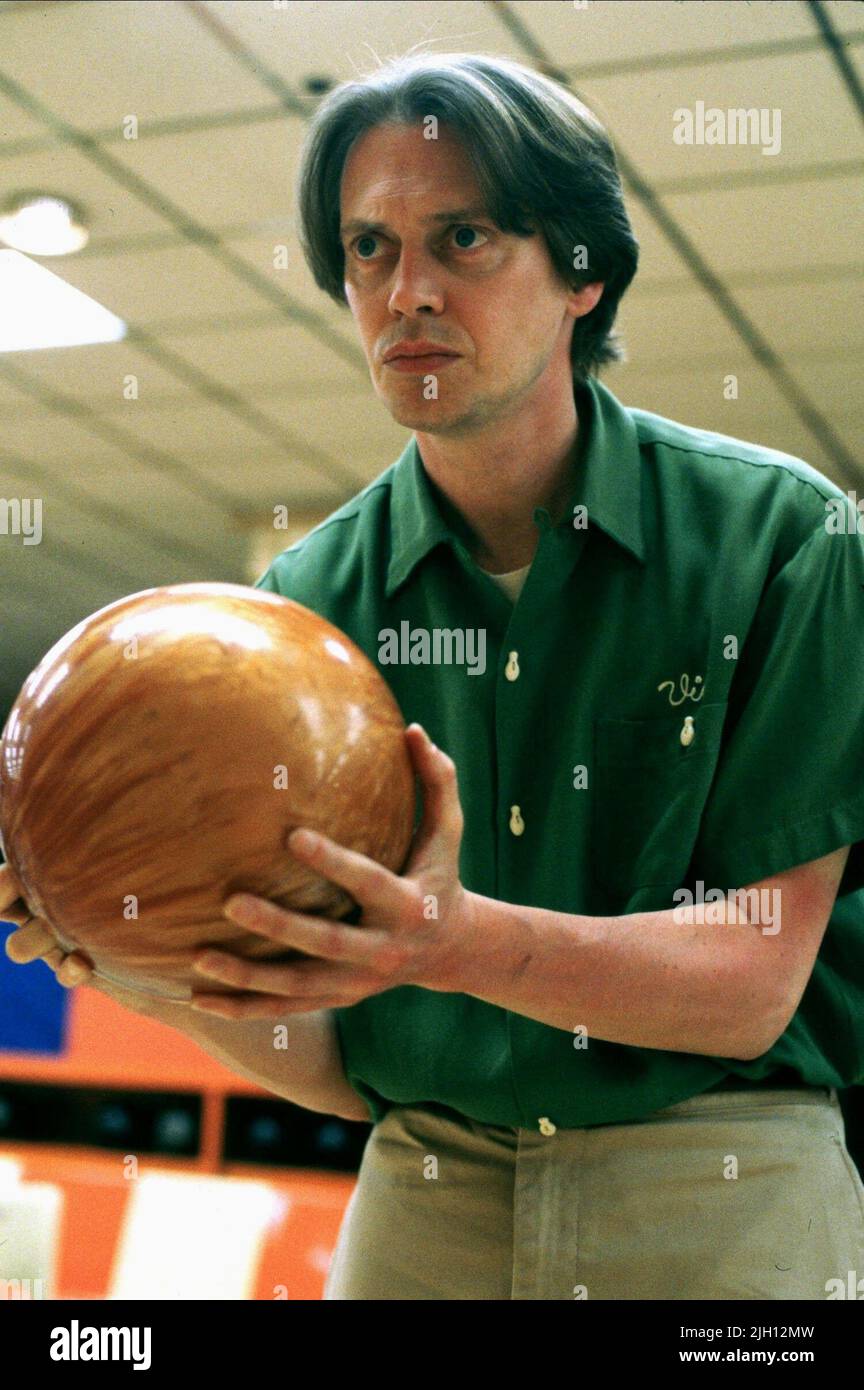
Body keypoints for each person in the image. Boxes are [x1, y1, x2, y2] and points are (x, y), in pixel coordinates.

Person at [4, 51, 864, 1300]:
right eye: (367, 248)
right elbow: (338, 1052)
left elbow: (750, 985)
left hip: (721, 1182)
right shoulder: (300, 615)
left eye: (462, 238)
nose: (405, 291)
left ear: (584, 272)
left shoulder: (785, 540)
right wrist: (136, 963)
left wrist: (448, 944)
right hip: (425, 1183)